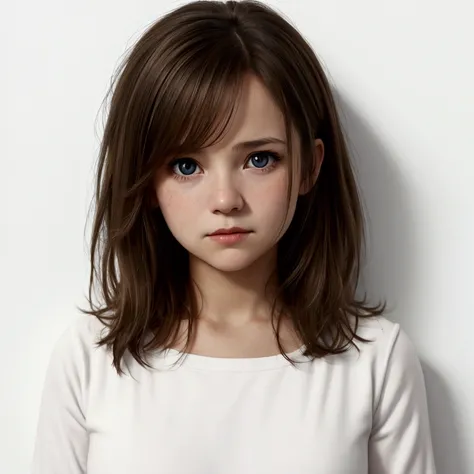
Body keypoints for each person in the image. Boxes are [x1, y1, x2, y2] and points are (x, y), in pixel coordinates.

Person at [31, 1, 436, 473]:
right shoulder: (90, 360)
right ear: (144, 181)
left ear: (310, 165)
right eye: (186, 166)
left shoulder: (376, 362)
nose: (226, 198)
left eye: (259, 159)